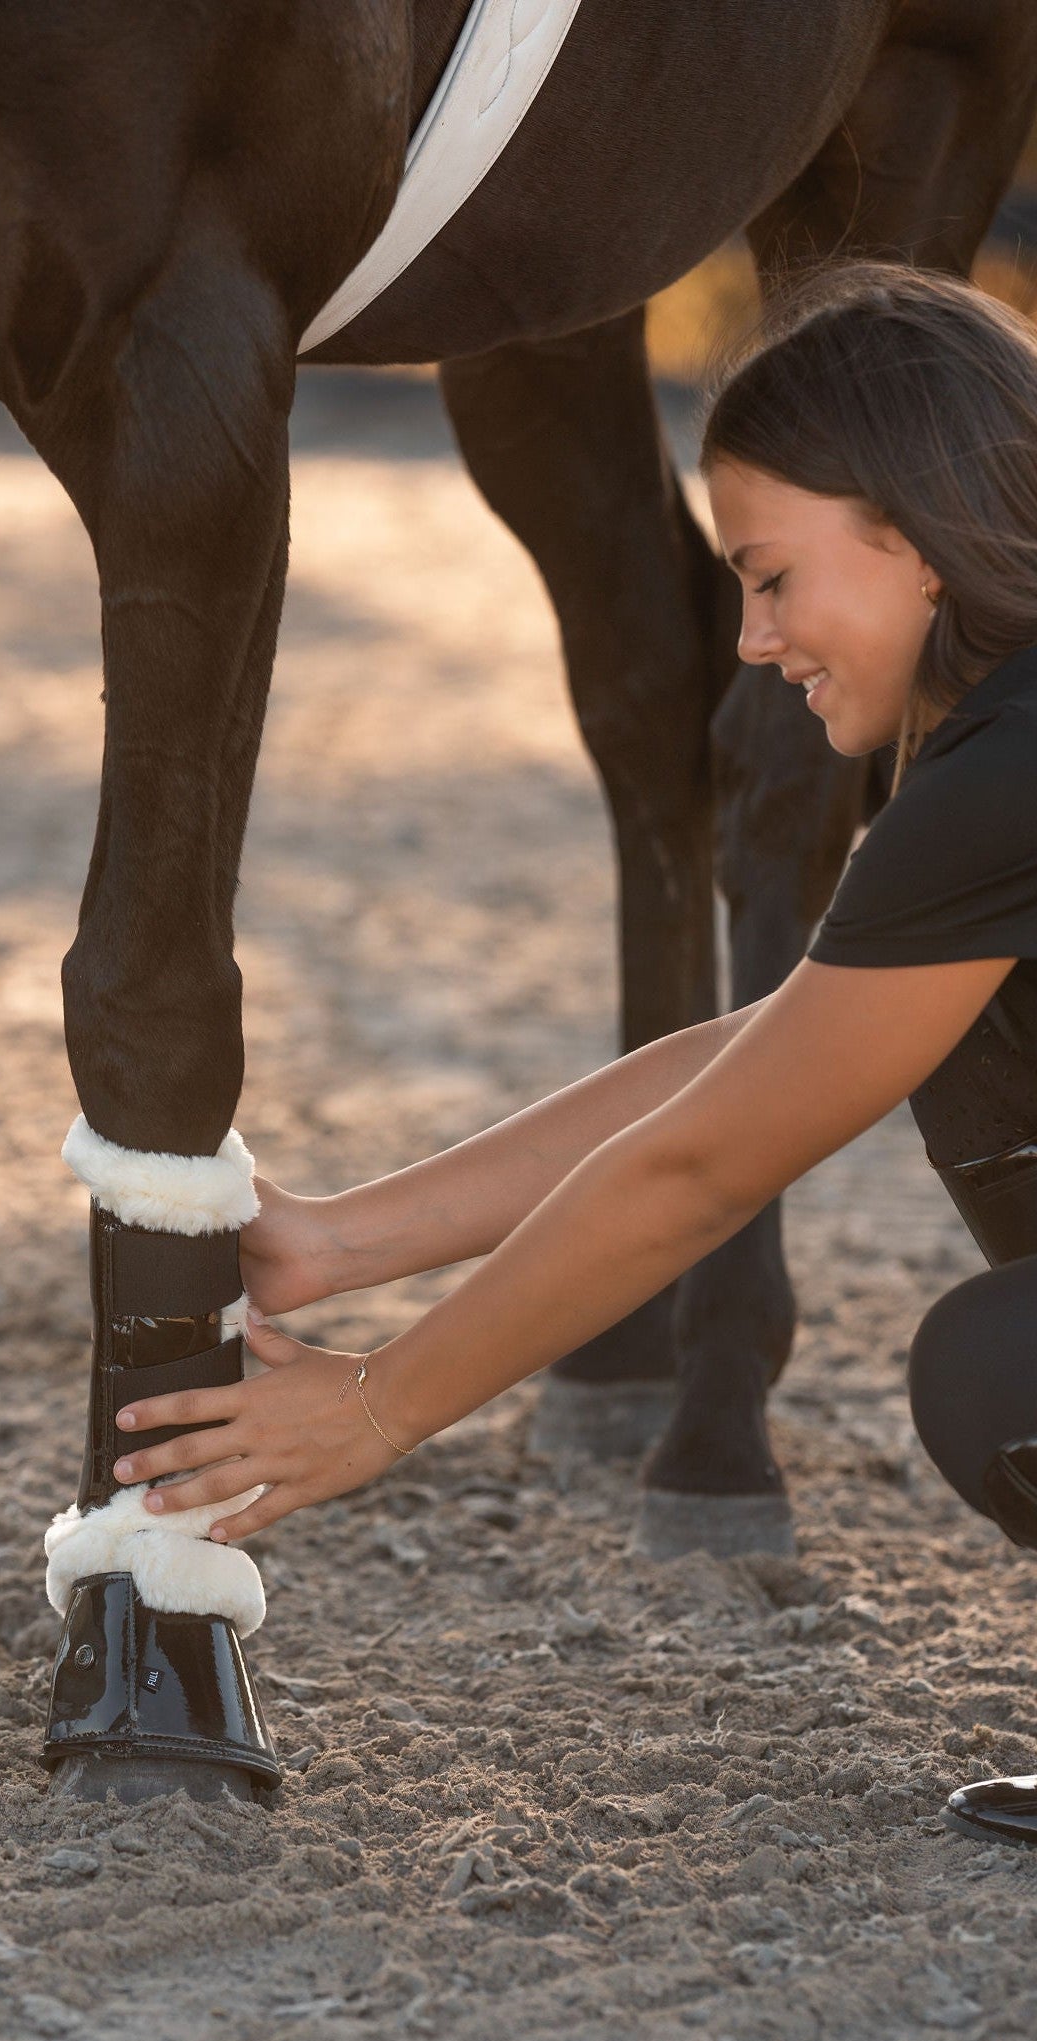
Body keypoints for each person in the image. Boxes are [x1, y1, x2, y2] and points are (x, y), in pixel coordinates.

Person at [109, 261, 1037, 1847]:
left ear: (912, 537)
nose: (749, 640)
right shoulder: (993, 761)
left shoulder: (994, 782)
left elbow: (701, 1171)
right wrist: (343, 1241)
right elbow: (748, 1061)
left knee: (1003, 1372)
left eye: (769, 577)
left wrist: (381, 1410)